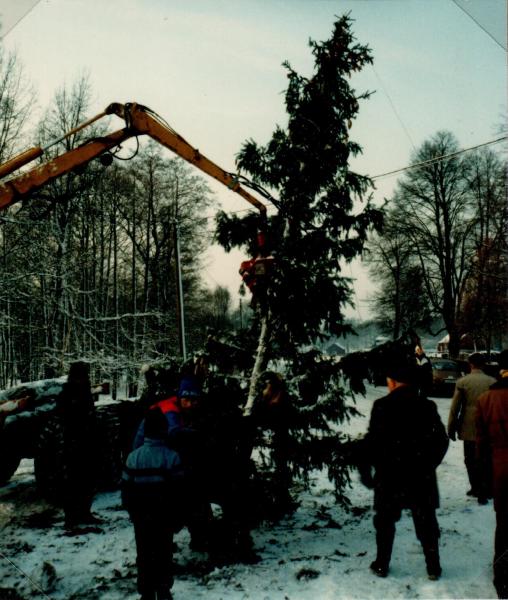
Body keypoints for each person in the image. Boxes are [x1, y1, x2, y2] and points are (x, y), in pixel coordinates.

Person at [358, 355, 449, 580]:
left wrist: (367, 469)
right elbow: (441, 440)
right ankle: (433, 567)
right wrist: (428, 463)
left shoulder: (382, 406)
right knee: (426, 522)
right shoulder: (426, 406)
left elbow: (374, 441)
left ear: (394, 382)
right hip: (421, 475)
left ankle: (381, 564)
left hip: (390, 475)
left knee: (385, 522)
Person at [122, 407, 184, 600]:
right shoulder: (172, 457)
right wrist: (177, 515)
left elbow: (126, 490)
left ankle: (146, 592)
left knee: (144, 554)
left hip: (141, 518)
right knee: (164, 553)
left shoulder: (133, 458)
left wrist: (132, 512)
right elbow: (179, 491)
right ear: (165, 431)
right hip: (164, 516)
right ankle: (164, 590)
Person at [476, 349, 508, 599]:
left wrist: (484, 480)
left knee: (504, 525)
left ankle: (503, 577)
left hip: (501, 470)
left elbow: (482, 445)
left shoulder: (486, 399)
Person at [57, 361, 101, 529]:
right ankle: (71, 518)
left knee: (87, 480)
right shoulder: (67, 392)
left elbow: (90, 415)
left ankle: (84, 513)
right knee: (73, 482)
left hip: (87, 442)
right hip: (74, 443)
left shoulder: (84, 391)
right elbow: (64, 416)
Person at [447, 352, 495, 503]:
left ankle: (475, 487)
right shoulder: (492, 382)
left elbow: (455, 407)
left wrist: (451, 427)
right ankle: (487, 488)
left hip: (468, 424)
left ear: (470, 364)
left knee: (470, 458)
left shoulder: (463, 382)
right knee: (486, 458)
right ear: (483, 364)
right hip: (487, 424)